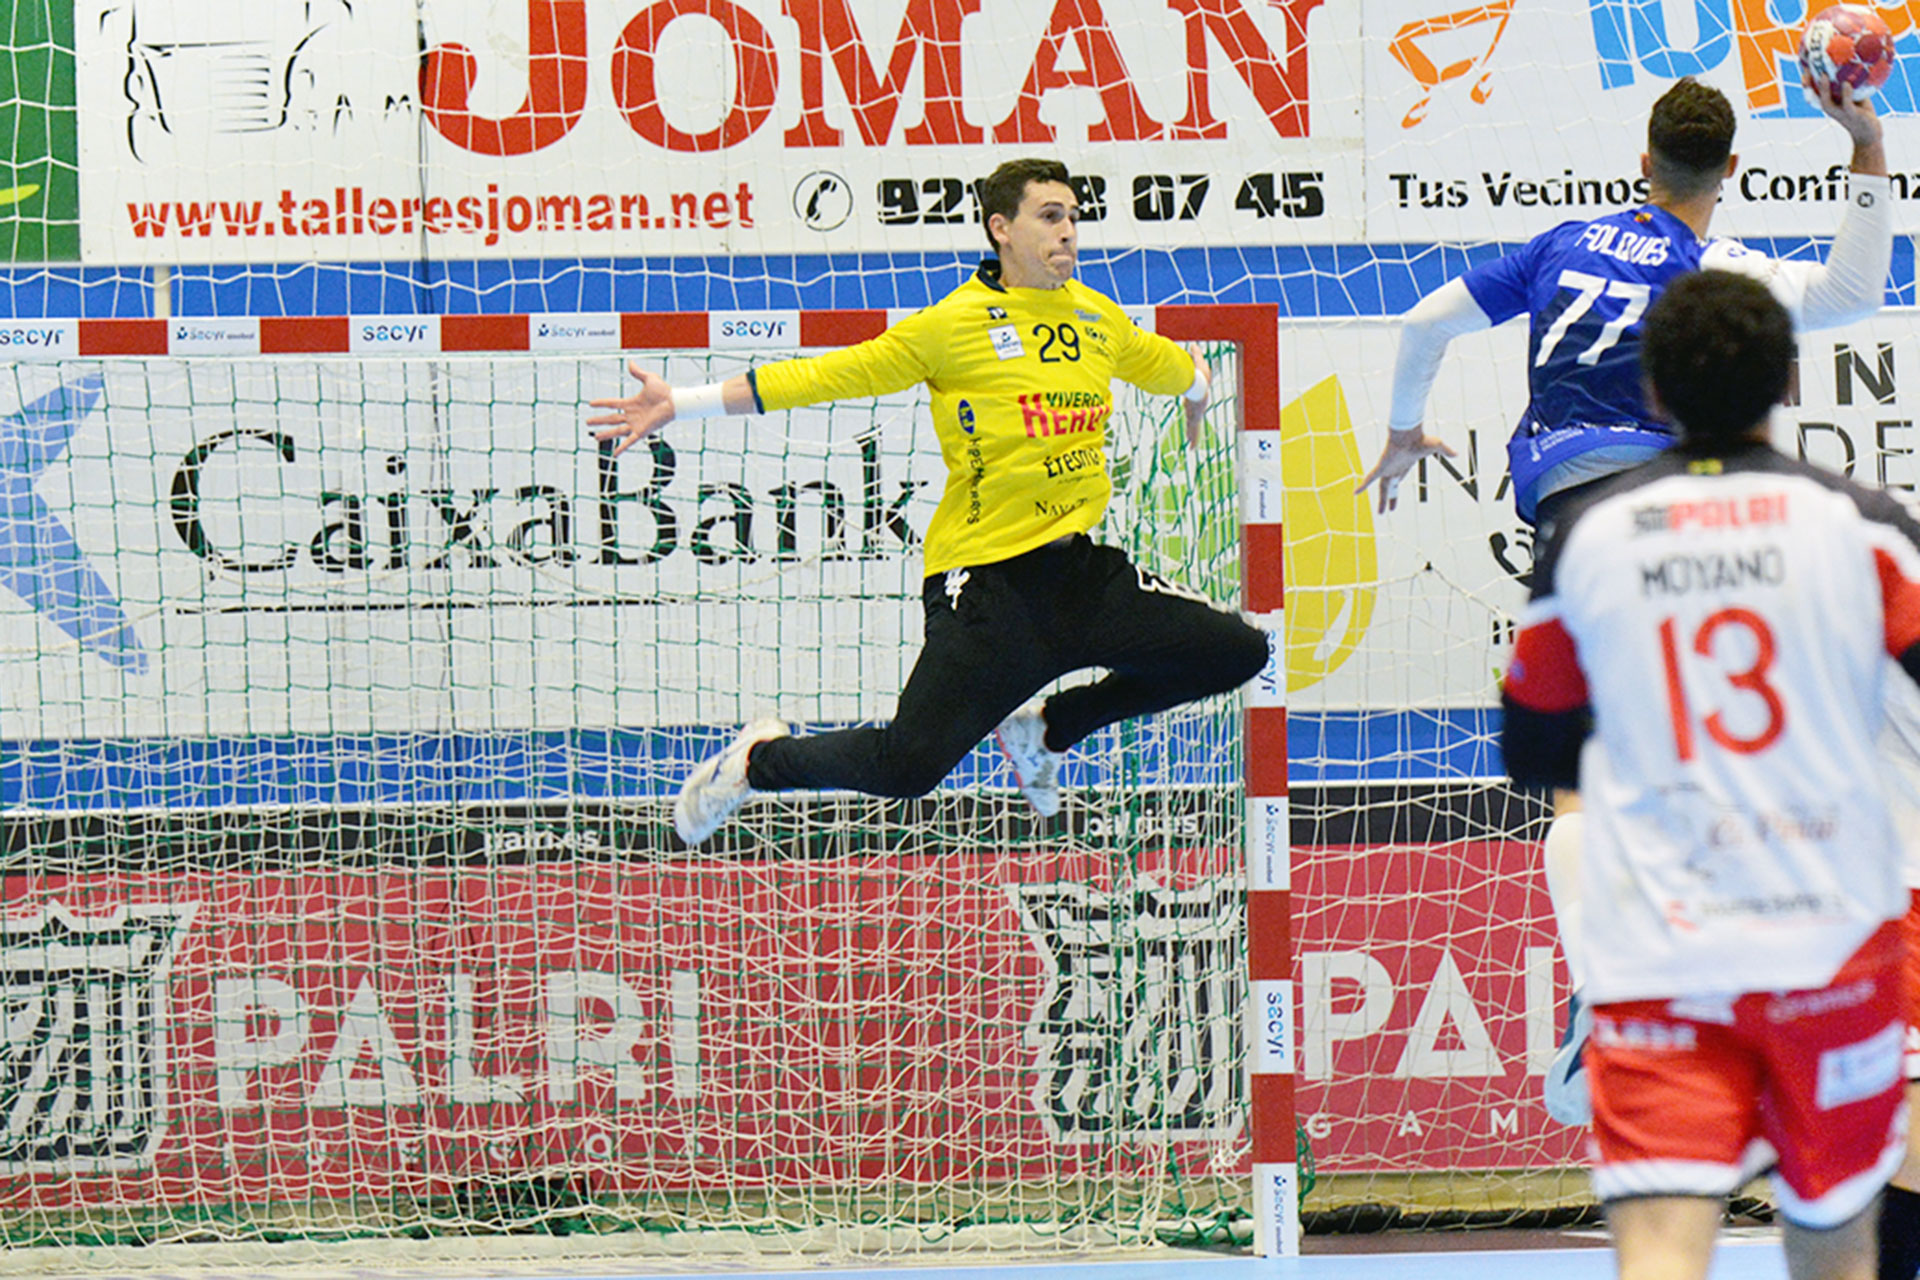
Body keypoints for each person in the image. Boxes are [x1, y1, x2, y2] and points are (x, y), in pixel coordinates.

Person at [1355, 74, 1891, 1126]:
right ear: (1729, 173)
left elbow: (1424, 318)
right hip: (1685, 519)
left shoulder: (1560, 245)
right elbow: (1851, 297)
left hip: (1575, 525)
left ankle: (1603, 980)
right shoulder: (1715, 264)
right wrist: (1865, 139)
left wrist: (1408, 423)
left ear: (1642, 162)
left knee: (1584, 783)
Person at [588, 158, 1269, 845]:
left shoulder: (1098, 319)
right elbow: (826, 376)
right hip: (989, 588)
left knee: (1236, 652)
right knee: (908, 766)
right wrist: (683, 403)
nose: (1069, 232)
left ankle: (1049, 730)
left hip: (1083, 579)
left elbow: (1179, 368)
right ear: (1001, 228)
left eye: (1073, 217)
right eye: (1050, 216)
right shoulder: (953, 325)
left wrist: (1196, 393)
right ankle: (759, 762)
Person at [1501, 268, 1920, 1280]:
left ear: (1651, 391)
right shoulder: (1862, 524)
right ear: (1787, 381)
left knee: (1660, 1236)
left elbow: (1536, 748)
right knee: (1835, 1223)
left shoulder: (1591, 536)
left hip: (1666, 938)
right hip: (1831, 925)